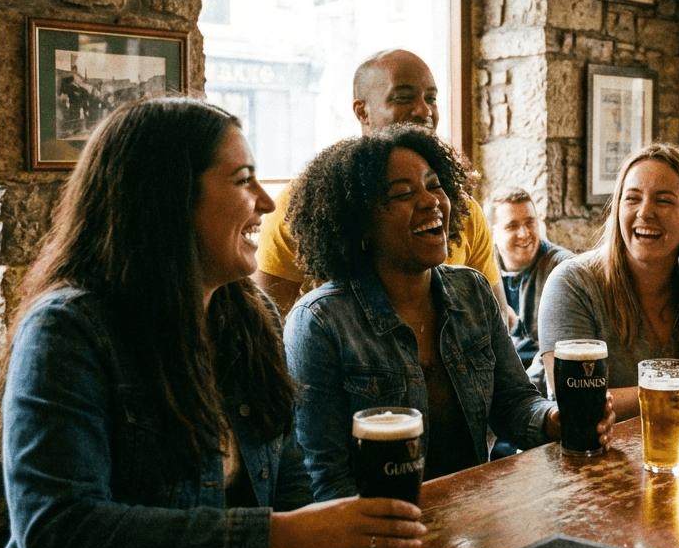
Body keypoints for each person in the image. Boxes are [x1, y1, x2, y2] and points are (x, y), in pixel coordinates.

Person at [0, 99, 424, 548]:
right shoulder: (67, 331)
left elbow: (288, 484)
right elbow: (60, 538)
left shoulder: (249, 313)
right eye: (243, 180)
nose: (265, 201)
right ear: (168, 199)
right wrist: (283, 536)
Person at [284, 125, 614, 500]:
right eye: (404, 193)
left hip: (475, 517)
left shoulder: (471, 290)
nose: (431, 201)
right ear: (361, 224)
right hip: (381, 533)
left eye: (435, 185)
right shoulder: (320, 322)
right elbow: (326, 481)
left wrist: (555, 420)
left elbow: (515, 403)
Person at [252, 49, 503, 315]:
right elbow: (268, 326)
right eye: (404, 97)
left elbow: (493, 319)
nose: (424, 110)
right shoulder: (303, 207)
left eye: (431, 98)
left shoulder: (459, 209)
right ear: (363, 112)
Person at [539, 143, 679, 419]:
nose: (644, 212)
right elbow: (574, 400)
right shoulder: (573, 284)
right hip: (593, 456)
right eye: (632, 198)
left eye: (663, 200)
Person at [487, 186, 575, 388]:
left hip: (541, 393)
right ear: (492, 232)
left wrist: (520, 396)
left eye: (530, 222)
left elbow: (555, 351)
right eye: (512, 226)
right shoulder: (482, 268)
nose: (524, 233)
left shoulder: (564, 269)